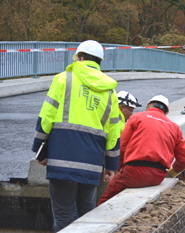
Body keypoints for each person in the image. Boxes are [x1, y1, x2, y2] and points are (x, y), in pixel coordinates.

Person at [31, 40, 123, 232]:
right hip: (91, 164)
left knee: (63, 216)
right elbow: (114, 131)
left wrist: (39, 150)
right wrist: (111, 166)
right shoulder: (109, 91)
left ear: (80, 58)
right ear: (99, 62)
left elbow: (46, 115)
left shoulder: (64, 79)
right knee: (87, 215)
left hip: (61, 160)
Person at [98, 95, 185, 205]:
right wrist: (171, 173)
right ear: (166, 112)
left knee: (105, 200)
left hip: (133, 170)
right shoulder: (174, 127)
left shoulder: (137, 117)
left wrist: (120, 169)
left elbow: (122, 146)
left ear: (149, 106)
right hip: (158, 176)